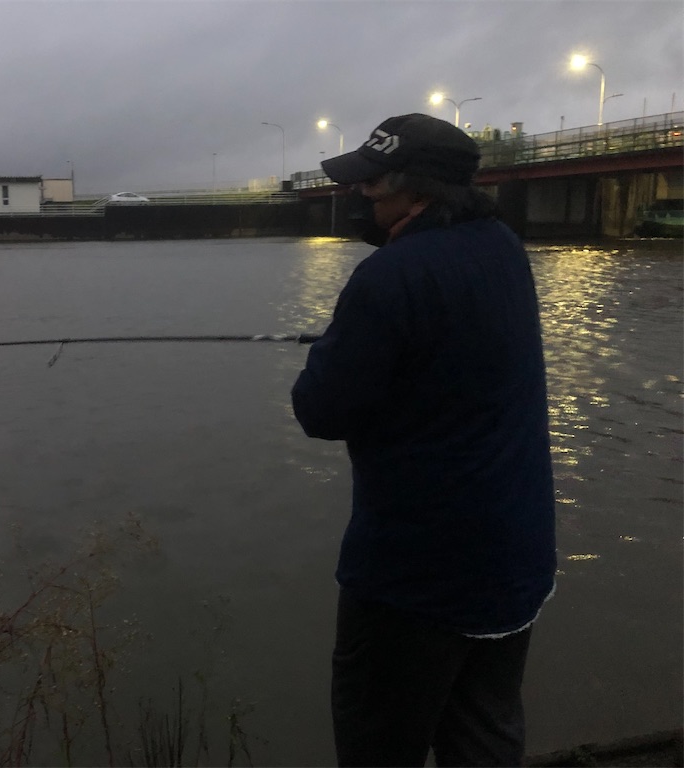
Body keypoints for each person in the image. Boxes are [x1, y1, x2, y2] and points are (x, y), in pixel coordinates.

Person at [291, 113, 556, 767]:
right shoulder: (503, 247)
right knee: (483, 736)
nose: (359, 194)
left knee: (379, 745)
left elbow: (319, 409)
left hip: (415, 578)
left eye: (372, 183)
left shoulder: (388, 278)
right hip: (514, 558)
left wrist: (339, 341)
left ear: (419, 192)